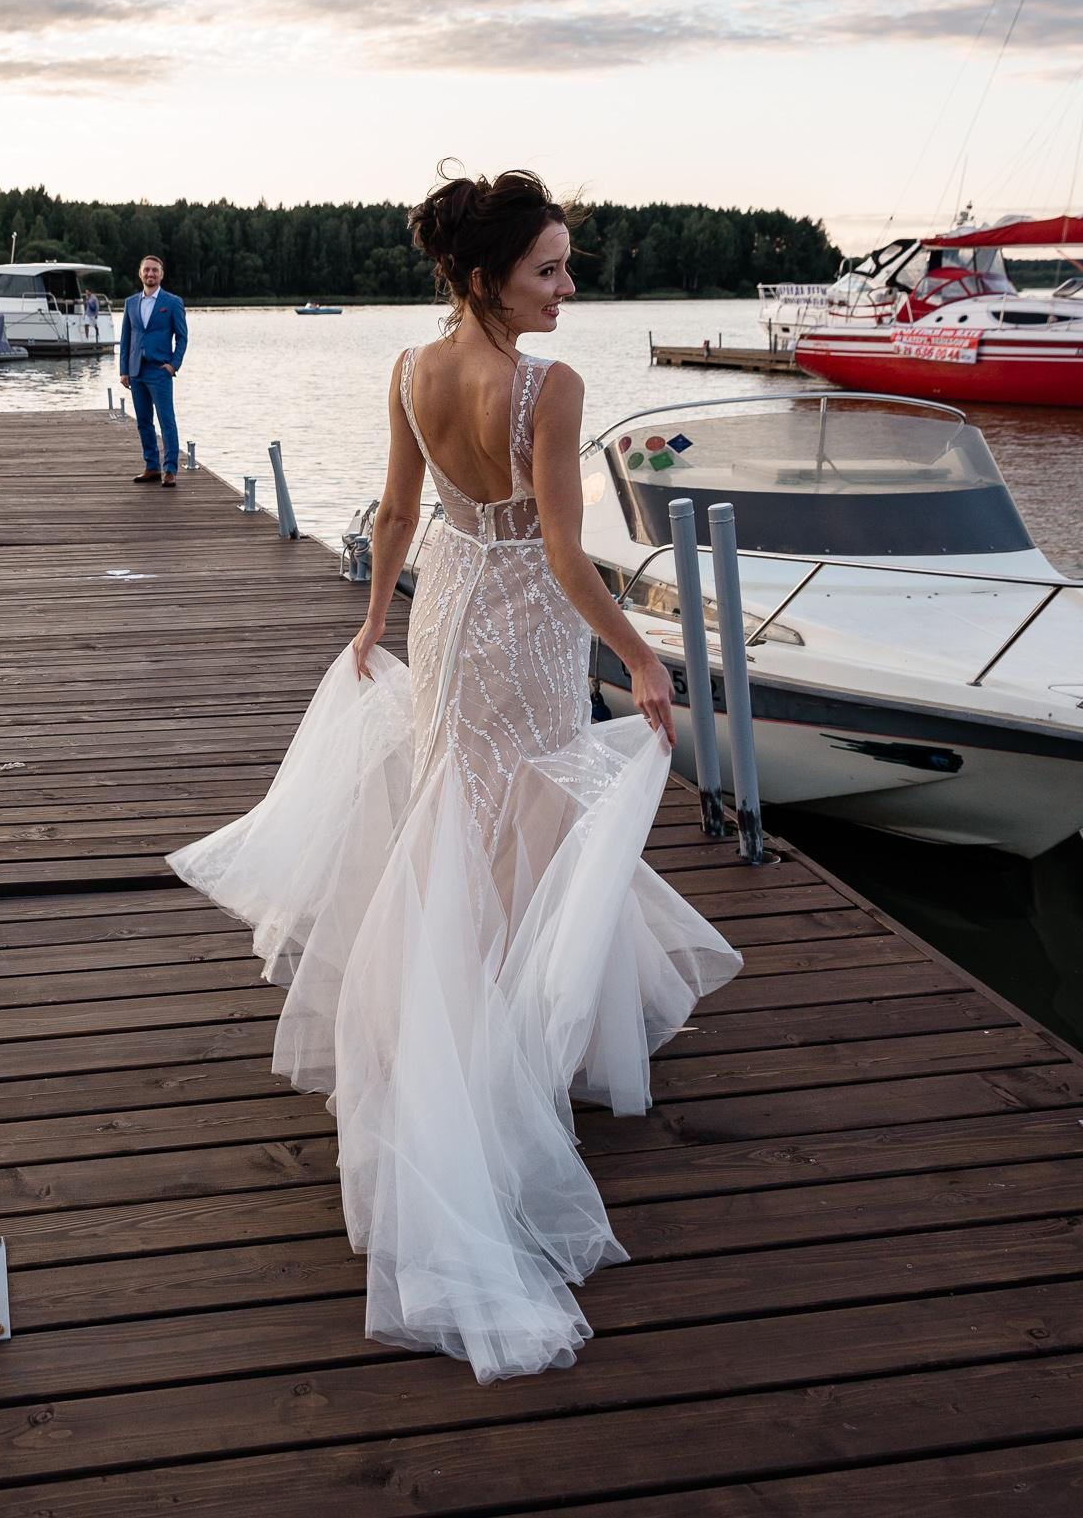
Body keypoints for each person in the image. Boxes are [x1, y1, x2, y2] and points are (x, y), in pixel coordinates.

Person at [168, 168, 741, 1384]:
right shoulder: (550, 384)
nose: (568, 288)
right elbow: (568, 551)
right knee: (525, 802)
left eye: (568, 265)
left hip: (450, 602)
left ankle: (481, 1006)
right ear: (488, 276)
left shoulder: (411, 373)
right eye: (549, 269)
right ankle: (500, 1037)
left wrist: (379, 614)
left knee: (463, 808)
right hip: (527, 614)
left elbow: (392, 510)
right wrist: (641, 657)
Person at [117, 254, 188, 485]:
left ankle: (170, 470)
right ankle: (151, 466)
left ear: (161, 274)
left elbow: (182, 337)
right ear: (140, 273)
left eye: (154, 270)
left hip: (160, 371)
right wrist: (124, 370)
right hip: (136, 371)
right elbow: (126, 338)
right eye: (146, 270)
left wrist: (173, 365)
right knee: (143, 421)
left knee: (166, 420)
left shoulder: (172, 302)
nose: (150, 274)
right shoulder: (130, 303)